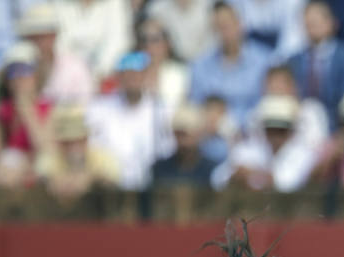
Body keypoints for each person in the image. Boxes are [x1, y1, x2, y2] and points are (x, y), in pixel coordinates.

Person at [86, 51, 174, 191]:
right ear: (119, 77)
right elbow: (92, 146)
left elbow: (168, 149)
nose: (132, 79)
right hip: (111, 187)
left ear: (145, 75)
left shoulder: (161, 109)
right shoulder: (100, 108)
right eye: (127, 75)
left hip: (152, 187)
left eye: (136, 74)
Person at [212, 92, 327, 191]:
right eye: (270, 130)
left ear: (291, 131)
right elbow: (218, 178)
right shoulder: (252, 147)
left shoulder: (303, 152)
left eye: (281, 130)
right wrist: (236, 174)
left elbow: (287, 184)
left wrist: (251, 174)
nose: (275, 136)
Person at [286, 1, 344, 128]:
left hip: (340, 125)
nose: (312, 26)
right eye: (308, 22)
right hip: (301, 126)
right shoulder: (293, 60)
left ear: (332, 23)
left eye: (316, 21)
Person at [189, 2, 269, 124]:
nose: (223, 33)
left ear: (240, 24)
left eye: (227, 25)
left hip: (251, 133)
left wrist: (232, 122)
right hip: (210, 135)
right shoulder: (200, 66)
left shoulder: (264, 62)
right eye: (218, 27)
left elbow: (266, 105)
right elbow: (195, 106)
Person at [151, 103, 220, 185]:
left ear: (199, 134)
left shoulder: (212, 170)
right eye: (178, 134)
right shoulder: (160, 169)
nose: (182, 141)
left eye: (185, 135)